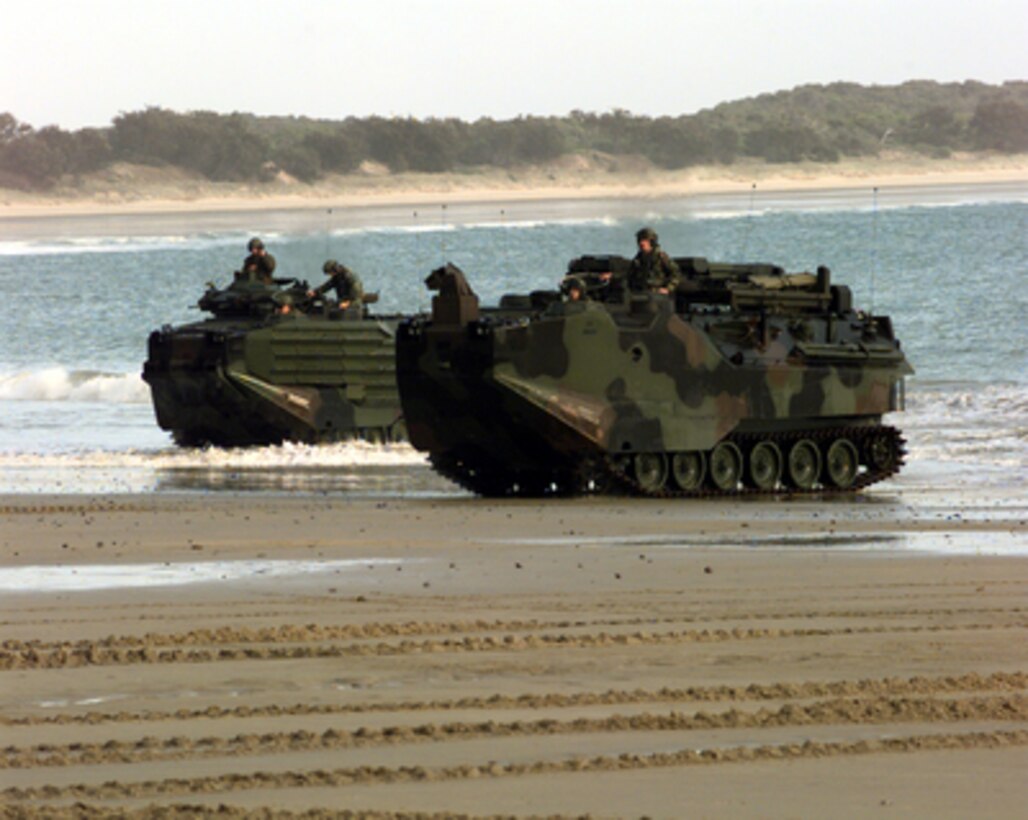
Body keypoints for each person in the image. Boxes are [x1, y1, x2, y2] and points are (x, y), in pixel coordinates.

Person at [623, 227, 680, 294]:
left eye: (645, 240)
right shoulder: (638, 259)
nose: (641, 243)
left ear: (652, 241)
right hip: (640, 293)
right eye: (640, 240)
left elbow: (676, 274)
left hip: (657, 294)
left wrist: (668, 288)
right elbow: (629, 276)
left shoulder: (661, 257)